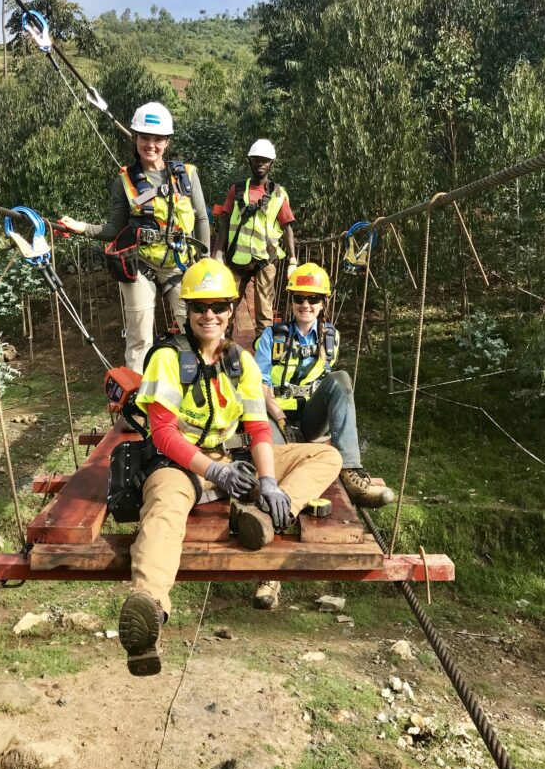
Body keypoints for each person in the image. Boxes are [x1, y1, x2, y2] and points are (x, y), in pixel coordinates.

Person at [117, 258, 342, 675]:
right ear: (186, 310)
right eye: (200, 307)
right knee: (164, 510)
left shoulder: (242, 361)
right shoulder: (167, 358)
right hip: (179, 463)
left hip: (232, 460)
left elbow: (258, 427)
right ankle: (149, 610)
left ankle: (266, 514)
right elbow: (164, 433)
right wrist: (214, 472)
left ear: (230, 310)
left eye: (219, 306)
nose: (210, 316)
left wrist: (272, 482)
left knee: (325, 455)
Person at [251, 262, 395, 610]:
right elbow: (260, 387)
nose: (307, 306)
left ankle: (350, 470)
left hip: (310, 420)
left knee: (342, 380)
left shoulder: (331, 337)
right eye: (301, 298)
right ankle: (270, 576)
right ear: (292, 300)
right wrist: (282, 419)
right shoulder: (271, 337)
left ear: (323, 303)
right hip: (277, 417)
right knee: (276, 477)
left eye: (314, 299)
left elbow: (328, 386)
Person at [59, 102, 210, 372]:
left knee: (194, 328)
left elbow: (200, 218)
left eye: (157, 139)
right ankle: (137, 400)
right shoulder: (125, 182)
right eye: (144, 137)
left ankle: (195, 382)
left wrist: (205, 262)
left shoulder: (187, 175)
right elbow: (114, 230)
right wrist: (81, 227)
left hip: (182, 264)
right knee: (140, 333)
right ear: (135, 139)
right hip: (141, 266)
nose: (150, 144)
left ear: (166, 141)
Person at [213, 139, 296, 337]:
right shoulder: (236, 190)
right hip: (236, 259)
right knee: (225, 306)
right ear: (250, 161)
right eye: (257, 160)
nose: (261, 164)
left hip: (265, 259)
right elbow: (224, 223)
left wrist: (292, 260)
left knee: (265, 313)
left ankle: (263, 355)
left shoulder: (278, 194)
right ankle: (220, 351)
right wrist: (217, 253)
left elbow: (287, 228)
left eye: (265, 161)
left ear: (271, 163)